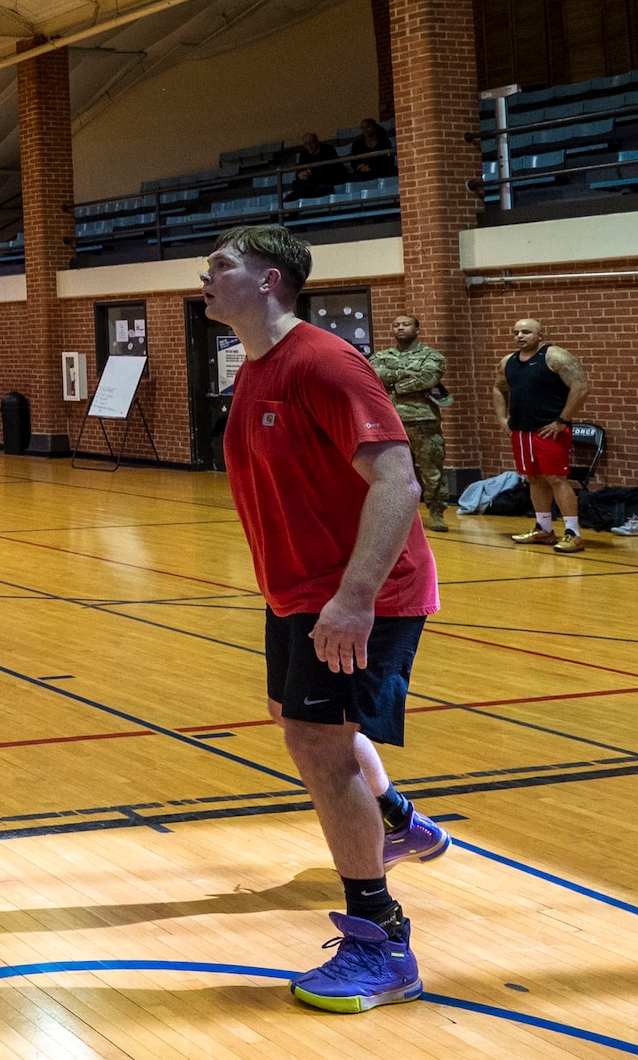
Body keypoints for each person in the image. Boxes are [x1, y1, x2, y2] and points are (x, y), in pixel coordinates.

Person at [201, 225, 448, 1015]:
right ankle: (397, 821)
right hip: (298, 592)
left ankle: (382, 943)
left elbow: (399, 483)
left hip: (354, 591)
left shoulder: (325, 362)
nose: (204, 276)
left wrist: (354, 596)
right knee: (296, 717)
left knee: (316, 739)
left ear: (270, 279)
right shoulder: (255, 366)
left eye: (220, 265)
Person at [493, 318, 590, 553]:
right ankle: (544, 529)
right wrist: (502, 418)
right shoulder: (508, 362)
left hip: (548, 431)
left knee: (556, 479)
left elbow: (581, 387)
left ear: (540, 334)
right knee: (534, 479)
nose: (520, 336)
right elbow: (499, 388)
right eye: (516, 332)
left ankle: (573, 533)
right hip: (521, 431)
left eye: (526, 332)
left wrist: (561, 421)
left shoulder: (555, 356)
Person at [370, 315, 449, 532]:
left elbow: (428, 378)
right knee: (391, 471)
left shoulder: (431, 355)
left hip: (422, 421)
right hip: (389, 421)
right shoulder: (382, 356)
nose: (400, 328)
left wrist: (394, 386)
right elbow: (373, 375)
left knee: (431, 469)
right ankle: (395, 514)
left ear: (417, 329)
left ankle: (436, 512)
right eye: (396, 325)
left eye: (405, 325)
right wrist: (404, 374)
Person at [289, 132, 346, 198]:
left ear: (317, 141)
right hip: (310, 183)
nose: (309, 146)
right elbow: (300, 171)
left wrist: (311, 172)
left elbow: (333, 170)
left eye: (311, 143)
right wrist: (300, 175)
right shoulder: (304, 154)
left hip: (326, 181)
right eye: (306, 144)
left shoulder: (328, 150)